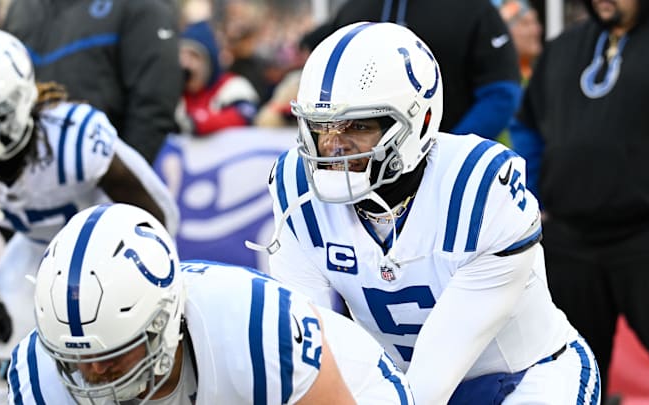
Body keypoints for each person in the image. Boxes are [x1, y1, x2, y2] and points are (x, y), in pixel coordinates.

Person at [253, 22, 601, 404]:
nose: (334, 148)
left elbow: (431, 378)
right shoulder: (298, 189)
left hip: (530, 377)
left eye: (358, 126)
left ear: (420, 122)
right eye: (322, 127)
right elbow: (308, 353)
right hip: (404, 384)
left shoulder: (477, 190)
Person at [0, 29, 179, 405]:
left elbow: (150, 214)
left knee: (108, 351)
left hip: (117, 242)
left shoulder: (73, 140)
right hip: (42, 247)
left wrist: (148, 277)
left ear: (18, 102)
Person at [7, 203, 414, 405]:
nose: (95, 375)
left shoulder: (257, 332)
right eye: (77, 361)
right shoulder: (38, 374)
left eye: (115, 356)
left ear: (164, 323)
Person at [510, 0, 649, 398]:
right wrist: (532, 196)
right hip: (570, 238)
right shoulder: (564, 47)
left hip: (646, 238)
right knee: (572, 372)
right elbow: (527, 126)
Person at [300, 0, 522, 140]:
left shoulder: (475, 9)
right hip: (360, 167)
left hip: (443, 170)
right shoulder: (354, 9)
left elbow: (501, 94)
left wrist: (445, 150)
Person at [1, 0, 182, 163]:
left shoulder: (141, 7)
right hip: (25, 182)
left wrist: (120, 183)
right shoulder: (22, 8)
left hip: (100, 179)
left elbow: (153, 104)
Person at [174, 20, 259, 136]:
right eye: (182, 55)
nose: (186, 63)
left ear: (210, 62)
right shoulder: (175, 91)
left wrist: (197, 122)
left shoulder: (233, 86)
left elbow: (245, 115)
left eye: (194, 56)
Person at [497, 0, 543, 81]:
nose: (537, 30)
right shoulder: (498, 80)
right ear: (506, 31)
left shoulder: (539, 74)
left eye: (535, 22)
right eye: (526, 24)